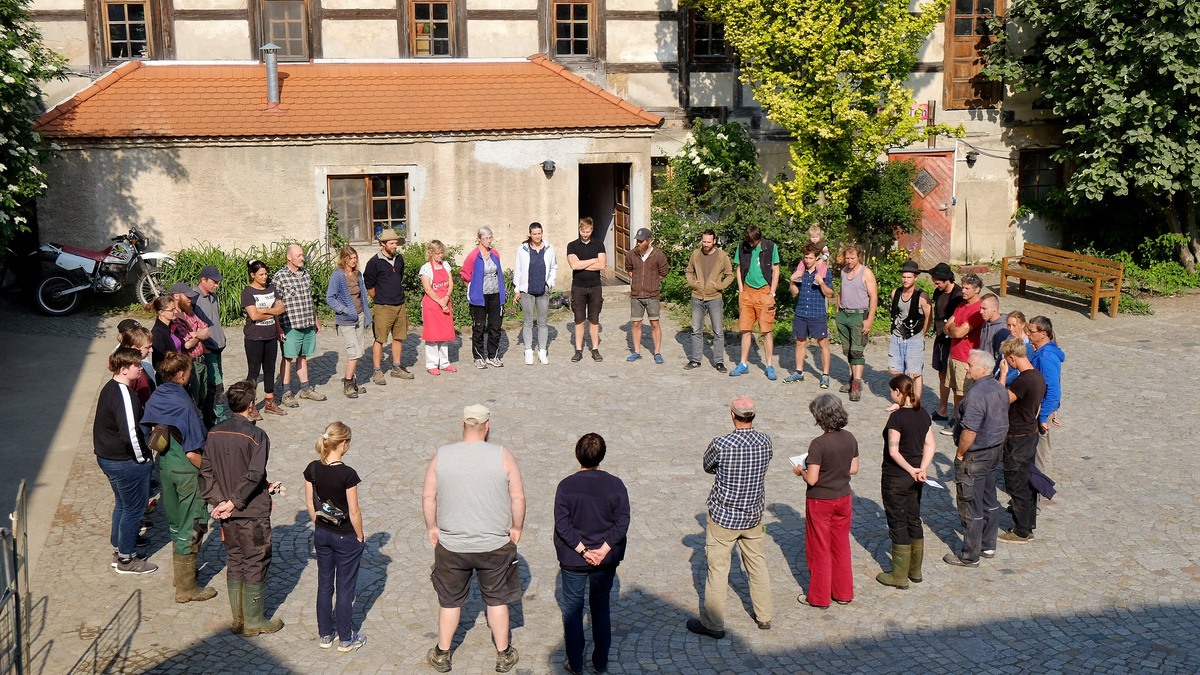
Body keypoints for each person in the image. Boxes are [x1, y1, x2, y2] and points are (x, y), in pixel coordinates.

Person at [422, 405, 525, 673]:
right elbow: (517, 497)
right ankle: (503, 654)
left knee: (449, 601)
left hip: (452, 545)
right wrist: (516, 527)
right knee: (497, 600)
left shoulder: (442, 455)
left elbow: (429, 496)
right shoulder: (503, 455)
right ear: (487, 426)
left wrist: (432, 528)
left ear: (462, 424)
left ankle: (442, 654)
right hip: (494, 545)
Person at [201, 379, 284, 636]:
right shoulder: (257, 436)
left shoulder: (213, 433)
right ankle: (254, 621)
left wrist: (220, 502)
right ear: (250, 405)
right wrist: (233, 502)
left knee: (235, 559)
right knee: (256, 560)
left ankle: (238, 619)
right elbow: (254, 474)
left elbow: (206, 472)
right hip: (252, 513)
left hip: (226, 515)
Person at [685, 396, 773, 639]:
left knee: (718, 570)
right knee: (757, 565)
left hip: (724, 517)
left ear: (733, 415)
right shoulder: (765, 441)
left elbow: (707, 466)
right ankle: (764, 616)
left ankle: (713, 624)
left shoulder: (722, 444)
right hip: (753, 515)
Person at [140, 351, 217, 602]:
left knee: (175, 523)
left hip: (165, 467)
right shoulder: (185, 405)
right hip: (186, 472)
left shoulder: (157, 396)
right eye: (190, 373)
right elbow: (193, 452)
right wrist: (212, 472)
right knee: (191, 525)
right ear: (182, 375)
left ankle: (180, 576)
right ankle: (186, 588)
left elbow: (148, 429)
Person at [553, 433, 630, 675]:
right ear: (602, 455)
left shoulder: (566, 486)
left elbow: (562, 525)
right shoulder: (616, 485)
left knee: (573, 610)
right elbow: (622, 521)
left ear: (578, 455)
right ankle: (600, 663)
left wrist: (583, 550)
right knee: (601, 608)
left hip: (573, 559)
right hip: (605, 560)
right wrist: (603, 550)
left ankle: (575, 663)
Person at [304, 421, 367, 652]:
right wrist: (360, 535)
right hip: (345, 537)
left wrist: (319, 525)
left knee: (324, 585)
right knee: (345, 589)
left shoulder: (312, 469)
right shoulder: (347, 474)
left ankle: (325, 635)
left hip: (322, 534)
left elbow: (310, 503)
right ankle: (346, 638)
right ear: (344, 444)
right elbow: (354, 511)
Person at [94, 347, 157, 574]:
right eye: (137, 365)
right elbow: (130, 433)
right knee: (134, 508)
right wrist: (143, 459)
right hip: (125, 462)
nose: (141, 368)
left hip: (108, 458)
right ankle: (126, 559)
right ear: (123, 369)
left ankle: (120, 547)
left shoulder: (110, 387)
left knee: (122, 504)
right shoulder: (123, 394)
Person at [944, 350, 1009, 567]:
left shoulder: (975, 396)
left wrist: (960, 453)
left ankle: (970, 556)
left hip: (976, 456)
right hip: (994, 452)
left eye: (970, 365)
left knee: (970, 504)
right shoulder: (999, 388)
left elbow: (970, 431)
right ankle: (988, 545)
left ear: (984, 369)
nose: (966, 367)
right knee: (990, 500)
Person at [794, 394, 859, 608]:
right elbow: (853, 469)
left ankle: (819, 597)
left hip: (821, 501)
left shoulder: (818, 444)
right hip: (844, 498)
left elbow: (812, 479)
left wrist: (801, 471)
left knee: (820, 548)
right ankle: (843, 593)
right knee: (841, 546)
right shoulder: (850, 438)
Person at [875, 375, 936, 589]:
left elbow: (894, 451)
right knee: (913, 519)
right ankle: (915, 571)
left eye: (891, 392)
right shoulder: (923, 414)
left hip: (896, 478)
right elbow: (930, 445)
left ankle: (899, 576)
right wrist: (921, 469)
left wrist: (910, 470)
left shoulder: (897, 419)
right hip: (916, 479)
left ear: (898, 392)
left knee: (898, 523)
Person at [997, 337, 1046, 545]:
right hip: (1030, 434)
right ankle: (1028, 525)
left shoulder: (1023, 380)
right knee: (1027, 483)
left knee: (1017, 484)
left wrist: (1003, 375)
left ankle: (1020, 531)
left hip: (1018, 438)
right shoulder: (1038, 376)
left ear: (1012, 358)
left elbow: (1000, 400)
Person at [273, 244, 326, 407]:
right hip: (290, 325)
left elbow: (310, 299)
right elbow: (275, 304)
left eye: (302, 255)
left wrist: (315, 319)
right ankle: (286, 392)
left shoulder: (305, 274)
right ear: (289, 257)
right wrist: (278, 327)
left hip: (307, 323)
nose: (302, 258)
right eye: (299, 255)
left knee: (303, 356)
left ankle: (305, 389)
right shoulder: (280, 277)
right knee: (288, 358)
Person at [363, 228, 414, 384]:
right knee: (380, 339)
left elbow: (399, 277)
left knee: (398, 337)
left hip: (400, 304)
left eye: (396, 243)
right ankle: (377, 370)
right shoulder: (374, 262)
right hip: (383, 306)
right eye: (392, 243)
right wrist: (379, 298)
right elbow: (369, 284)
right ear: (383, 243)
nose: (395, 246)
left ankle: (396, 367)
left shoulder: (399, 259)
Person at [730, 225, 781, 379]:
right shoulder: (742, 246)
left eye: (753, 242)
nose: (751, 244)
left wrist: (772, 292)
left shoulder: (771, 247)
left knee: (766, 331)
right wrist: (741, 290)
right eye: (749, 242)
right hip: (747, 292)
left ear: (759, 238)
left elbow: (776, 270)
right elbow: (739, 268)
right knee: (745, 330)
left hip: (765, 292)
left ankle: (769, 365)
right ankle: (743, 364)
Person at [784, 242, 835, 387]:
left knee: (823, 344)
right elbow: (794, 293)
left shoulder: (824, 272)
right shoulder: (800, 271)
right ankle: (798, 372)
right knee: (800, 343)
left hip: (817, 313)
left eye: (810, 258)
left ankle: (825, 375)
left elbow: (830, 294)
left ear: (817, 257)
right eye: (806, 257)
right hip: (801, 312)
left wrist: (821, 282)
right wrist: (792, 281)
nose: (807, 260)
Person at [241, 260, 287, 416]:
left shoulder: (271, 289)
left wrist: (265, 312)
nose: (264, 277)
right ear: (253, 275)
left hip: (270, 335)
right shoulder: (248, 292)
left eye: (266, 273)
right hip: (254, 337)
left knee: (269, 370)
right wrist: (273, 311)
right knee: (253, 372)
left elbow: (281, 310)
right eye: (261, 274)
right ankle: (250, 405)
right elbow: (254, 316)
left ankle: (270, 402)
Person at [326, 245, 372, 399]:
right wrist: (344, 310)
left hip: (360, 316)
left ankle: (353, 381)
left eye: (355, 257)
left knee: (358, 351)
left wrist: (365, 313)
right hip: (346, 320)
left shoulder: (358, 274)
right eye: (350, 258)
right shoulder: (337, 276)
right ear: (344, 259)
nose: (354, 261)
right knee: (354, 352)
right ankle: (347, 384)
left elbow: (362, 295)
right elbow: (330, 298)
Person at [683, 229, 734, 372]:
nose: (705, 244)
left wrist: (720, 286)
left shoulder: (722, 256)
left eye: (708, 242)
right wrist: (692, 283)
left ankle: (719, 362)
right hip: (697, 296)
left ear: (714, 241)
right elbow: (689, 271)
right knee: (696, 330)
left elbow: (730, 275)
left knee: (718, 331)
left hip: (715, 298)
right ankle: (695, 360)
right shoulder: (695, 254)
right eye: (704, 241)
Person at [940, 273, 984, 433]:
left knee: (963, 392)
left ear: (977, 289)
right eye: (963, 287)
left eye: (967, 288)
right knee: (955, 390)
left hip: (965, 358)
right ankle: (955, 416)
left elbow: (958, 332)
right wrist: (955, 331)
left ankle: (961, 422)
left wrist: (955, 331)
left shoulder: (977, 310)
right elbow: (947, 328)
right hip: (954, 354)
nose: (963, 291)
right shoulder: (961, 305)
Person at [885, 260, 932, 410]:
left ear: (915, 278)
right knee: (897, 371)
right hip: (897, 337)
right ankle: (899, 401)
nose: (905, 280)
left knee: (915, 372)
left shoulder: (922, 296)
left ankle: (914, 402)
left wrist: (921, 335)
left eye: (909, 277)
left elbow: (928, 318)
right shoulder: (896, 293)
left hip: (914, 339)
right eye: (904, 277)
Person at [833, 244, 878, 401]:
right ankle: (853, 378)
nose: (849, 261)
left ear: (859, 257)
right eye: (847, 258)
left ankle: (856, 385)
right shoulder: (844, 272)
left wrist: (869, 319)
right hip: (844, 314)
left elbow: (874, 297)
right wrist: (837, 311)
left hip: (859, 315)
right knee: (848, 350)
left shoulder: (866, 273)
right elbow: (841, 292)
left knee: (857, 351)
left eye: (852, 258)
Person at [1027, 315, 1065, 489]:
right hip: (1040, 408)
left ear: (1043, 334)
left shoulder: (1046, 357)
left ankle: (1041, 491)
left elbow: (1053, 389)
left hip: (1040, 411)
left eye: (1031, 331)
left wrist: (1043, 416)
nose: (1028, 334)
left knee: (1040, 454)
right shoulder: (1042, 353)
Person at [461, 226, 507, 369]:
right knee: (479, 327)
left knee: (495, 327)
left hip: (495, 295)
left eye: (490, 237)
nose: (489, 240)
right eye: (486, 238)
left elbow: (498, 273)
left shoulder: (495, 254)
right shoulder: (473, 256)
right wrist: (473, 289)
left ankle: (492, 356)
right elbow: (465, 275)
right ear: (479, 238)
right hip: (479, 297)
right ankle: (478, 357)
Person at [512, 222, 557, 365]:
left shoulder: (549, 248)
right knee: (528, 322)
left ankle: (542, 350)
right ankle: (528, 350)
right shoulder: (523, 249)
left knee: (542, 322)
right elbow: (518, 270)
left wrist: (549, 283)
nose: (537, 236)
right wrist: (517, 289)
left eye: (539, 233)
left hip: (543, 290)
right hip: (527, 291)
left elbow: (553, 267)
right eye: (534, 234)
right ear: (530, 234)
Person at [192, 265, 231, 427]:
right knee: (215, 385)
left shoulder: (212, 296)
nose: (217, 285)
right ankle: (216, 419)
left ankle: (215, 416)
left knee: (217, 383)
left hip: (217, 348)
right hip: (207, 350)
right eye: (214, 282)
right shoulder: (194, 298)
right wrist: (203, 345)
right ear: (203, 279)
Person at [623, 228, 670, 363]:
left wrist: (651, 281)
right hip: (636, 294)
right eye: (637, 240)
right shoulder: (631, 255)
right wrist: (639, 281)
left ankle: (657, 352)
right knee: (636, 323)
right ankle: (637, 351)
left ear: (649, 240)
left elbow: (663, 273)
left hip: (652, 294)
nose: (638, 243)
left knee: (654, 323)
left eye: (641, 241)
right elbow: (630, 271)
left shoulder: (659, 255)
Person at [170, 282, 214, 414]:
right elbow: (187, 344)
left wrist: (194, 334)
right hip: (191, 363)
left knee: (203, 397)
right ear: (176, 296)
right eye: (187, 296)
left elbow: (207, 331)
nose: (190, 299)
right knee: (194, 400)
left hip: (201, 360)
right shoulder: (174, 318)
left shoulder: (189, 313)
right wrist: (199, 334)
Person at [567, 217, 607, 363]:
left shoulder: (598, 244)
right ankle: (578, 350)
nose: (585, 234)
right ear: (579, 230)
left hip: (595, 287)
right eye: (583, 231)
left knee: (594, 319)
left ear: (592, 230)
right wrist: (593, 260)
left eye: (588, 231)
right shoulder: (572, 245)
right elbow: (574, 266)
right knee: (579, 319)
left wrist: (582, 263)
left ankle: (595, 349)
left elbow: (602, 265)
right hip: (578, 287)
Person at [927, 263, 963, 422]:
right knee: (942, 374)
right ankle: (942, 410)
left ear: (947, 279)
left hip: (953, 340)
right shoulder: (938, 292)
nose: (936, 285)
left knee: (953, 379)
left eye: (938, 282)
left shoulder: (958, 295)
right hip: (941, 337)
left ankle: (956, 414)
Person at [419, 240, 458, 375]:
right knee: (432, 335)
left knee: (444, 334)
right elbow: (428, 289)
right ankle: (432, 364)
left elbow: (450, 283)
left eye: (442, 253)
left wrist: (446, 298)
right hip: (432, 305)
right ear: (431, 253)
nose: (441, 255)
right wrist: (441, 302)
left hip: (445, 302)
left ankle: (444, 362)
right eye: (438, 253)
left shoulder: (446, 265)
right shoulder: (426, 268)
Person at [147, 295, 198, 384]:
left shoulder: (173, 326)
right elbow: (158, 364)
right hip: (171, 380)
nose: (175, 312)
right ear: (161, 312)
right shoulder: (157, 334)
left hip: (183, 375)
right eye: (172, 310)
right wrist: (174, 378)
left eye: (175, 308)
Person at [118, 325, 156, 404]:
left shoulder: (139, 364)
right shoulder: (130, 372)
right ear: (135, 348)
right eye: (147, 347)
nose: (151, 350)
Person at [978, 293, 1010, 378]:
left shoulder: (1002, 329)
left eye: (984, 308)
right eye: (980, 308)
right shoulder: (986, 324)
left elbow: (1000, 356)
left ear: (994, 308)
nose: (981, 311)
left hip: (991, 375)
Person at [1001, 310, 1031, 385]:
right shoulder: (1009, 337)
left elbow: (1020, 369)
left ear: (1023, 325)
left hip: (1013, 383)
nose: (1011, 328)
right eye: (1009, 325)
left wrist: (1005, 381)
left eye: (1014, 325)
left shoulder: (1028, 345)